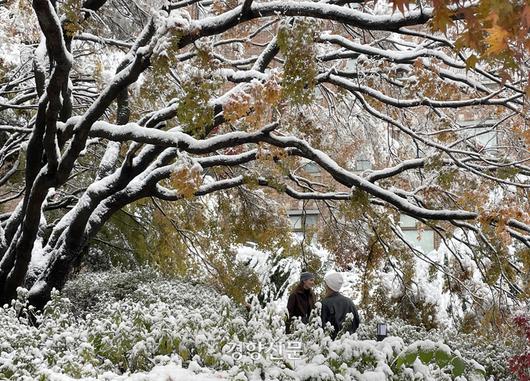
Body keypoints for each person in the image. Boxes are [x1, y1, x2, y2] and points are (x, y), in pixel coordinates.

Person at [321, 271, 360, 339]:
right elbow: (357, 323)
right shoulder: (349, 302)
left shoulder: (324, 303)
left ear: (329, 286)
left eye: (326, 285)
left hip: (331, 344)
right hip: (350, 343)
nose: (325, 287)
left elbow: (321, 327)